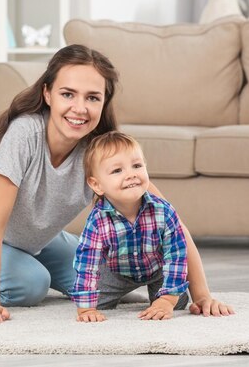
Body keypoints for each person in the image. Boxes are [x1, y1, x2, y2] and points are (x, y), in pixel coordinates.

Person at [0, 44, 234, 323]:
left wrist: (201, 295)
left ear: (104, 103)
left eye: (92, 97)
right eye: (68, 94)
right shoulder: (24, 134)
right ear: (48, 93)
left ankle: (15, 264)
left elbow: (170, 220)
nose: (80, 108)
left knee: (105, 278)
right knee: (30, 284)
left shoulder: (98, 152)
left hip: (29, 240)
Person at [71, 131, 190, 322]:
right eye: (117, 170)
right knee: (96, 304)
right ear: (97, 185)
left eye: (137, 166)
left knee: (179, 302)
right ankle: (122, 293)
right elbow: (87, 262)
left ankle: (161, 295)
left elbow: (176, 256)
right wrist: (86, 309)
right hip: (116, 272)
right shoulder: (98, 220)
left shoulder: (163, 211)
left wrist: (167, 299)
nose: (131, 174)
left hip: (157, 269)